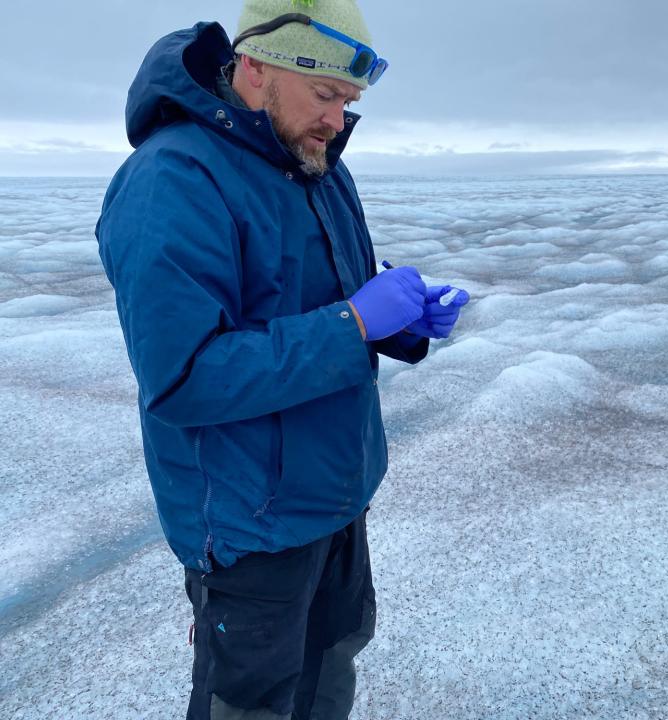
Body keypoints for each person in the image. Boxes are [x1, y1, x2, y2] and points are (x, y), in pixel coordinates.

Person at [95, 1, 469, 717]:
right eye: (326, 94)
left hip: (336, 495)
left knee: (331, 668)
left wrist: (399, 323)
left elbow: (328, 302)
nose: (339, 118)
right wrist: (354, 322)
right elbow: (184, 378)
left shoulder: (316, 165)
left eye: (350, 100)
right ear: (258, 69)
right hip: (249, 523)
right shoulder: (172, 180)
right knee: (253, 702)